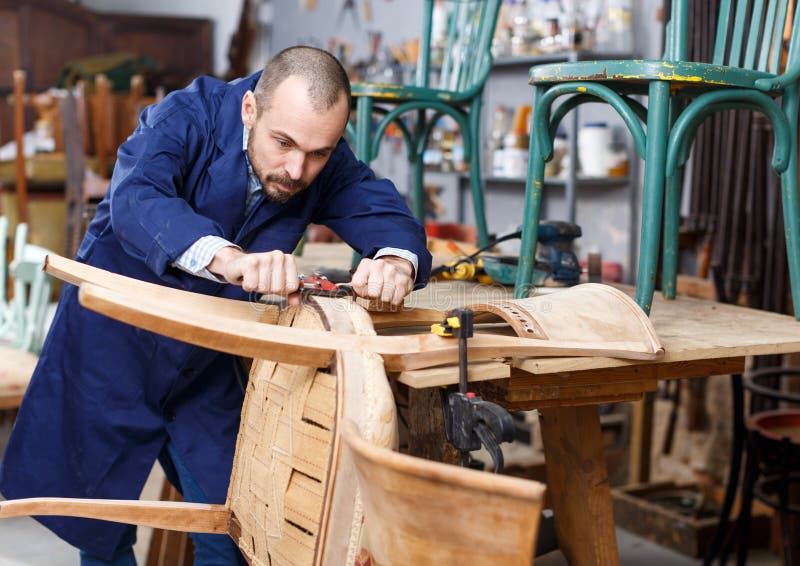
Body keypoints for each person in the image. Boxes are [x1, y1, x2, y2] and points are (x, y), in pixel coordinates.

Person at [0, 46, 432, 565]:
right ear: (250, 109)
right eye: (284, 144)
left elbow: (383, 210)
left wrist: (396, 262)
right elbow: (138, 198)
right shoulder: (184, 116)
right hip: (113, 347)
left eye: (319, 153)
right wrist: (230, 260)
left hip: (202, 361)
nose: (298, 169)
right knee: (104, 532)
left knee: (234, 527)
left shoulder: (319, 156)